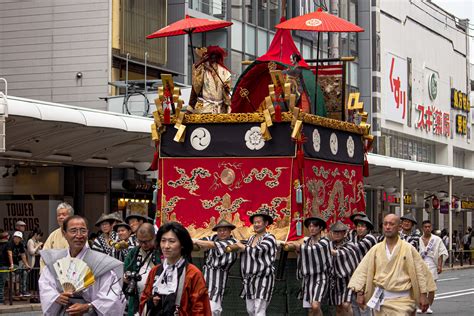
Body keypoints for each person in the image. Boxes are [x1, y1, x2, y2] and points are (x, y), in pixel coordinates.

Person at [348, 214, 434, 315]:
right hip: (380, 300)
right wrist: (360, 292)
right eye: (385, 224)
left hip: (404, 300)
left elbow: (420, 271)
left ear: (399, 227)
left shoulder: (408, 248)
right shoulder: (376, 249)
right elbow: (363, 271)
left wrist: (423, 294)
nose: (388, 227)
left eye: (392, 224)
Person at [39, 215, 125, 315]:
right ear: (64, 233)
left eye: (83, 231)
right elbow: (45, 286)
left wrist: (89, 306)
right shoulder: (55, 261)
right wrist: (55, 297)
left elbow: (112, 296)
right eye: (73, 231)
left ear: (87, 232)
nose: (79, 235)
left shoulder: (100, 263)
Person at [139, 222, 211, 315]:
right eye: (163, 240)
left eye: (172, 241)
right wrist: (150, 302)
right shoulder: (155, 271)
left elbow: (200, 309)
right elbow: (144, 299)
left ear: (182, 244)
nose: (166, 246)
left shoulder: (193, 273)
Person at [285, 216, 330, 316]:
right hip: (307, 279)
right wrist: (293, 244)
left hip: (320, 277)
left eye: (314, 226)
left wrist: (298, 246)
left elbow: (313, 249)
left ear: (320, 228)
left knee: (315, 306)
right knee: (310, 310)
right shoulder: (306, 241)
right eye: (310, 226)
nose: (311, 228)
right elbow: (298, 246)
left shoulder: (325, 241)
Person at [234, 211, 277, 316]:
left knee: (259, 310)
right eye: (255, 222)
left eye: (259, 222)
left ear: (266, 223)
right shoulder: (251, 238)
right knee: (251, 310)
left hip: (263, 278)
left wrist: (242, 247)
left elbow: (259, 250)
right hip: (249, 280)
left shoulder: (269, 238)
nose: (256, 224)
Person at [193, 219, 238, 316]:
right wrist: (188, 244)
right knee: (201, 306)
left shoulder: (233, 242)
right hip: (205, 276)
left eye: (225, 230)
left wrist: (195, 240)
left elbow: (213, 245)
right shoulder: (213, 237)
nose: (222, 232)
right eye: (220, 230)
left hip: (219, 278)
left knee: (213, 308)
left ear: (230, 231)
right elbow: (199, 245)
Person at [124, 223, 161, 316]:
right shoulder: (134, 252)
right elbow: (125, 270)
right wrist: (126, 277)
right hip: (136, 297)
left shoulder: (160, 251)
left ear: (154, 238)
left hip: (156, 298)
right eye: (140, 241)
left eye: (147, 241)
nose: (143, 245)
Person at [190, 45, 232, 114]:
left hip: (220, 108)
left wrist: (226, 87)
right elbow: (196, 83)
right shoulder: (202, 69)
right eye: (212, 55)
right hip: (206, 107)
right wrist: (202, 61)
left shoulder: (224, 72)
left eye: (215, 56)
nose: (213, 58)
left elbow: (228, 86)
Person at [418, 220, 448, 314]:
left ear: (431, 228)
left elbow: (440, 252)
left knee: (431, 288)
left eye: (429, 227)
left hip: (432, 264)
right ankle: (421, 305)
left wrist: (439, 265)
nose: (427, 228)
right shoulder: (418, 239)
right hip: (420, 264)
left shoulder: (436, 239)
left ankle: (429, 306)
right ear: (422, 228)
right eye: (425, 227)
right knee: (421, 287)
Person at [41, 202, 74, 271]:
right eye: (58, 215)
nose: (61, 217)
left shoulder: (79, 235)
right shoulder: (53, 235)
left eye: (64, 215)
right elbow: (44, 256)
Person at [7, 231, 31, 298]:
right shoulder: (10, 244)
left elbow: (23, 255)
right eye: (17, 237)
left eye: (20, 238)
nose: (18, 239)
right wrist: (11, 264)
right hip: (7, 263)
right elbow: (10, 254)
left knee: (18, 277)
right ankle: (11, 294)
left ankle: (18, 292)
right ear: (14, 237)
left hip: (16, 263)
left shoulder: (20, 244)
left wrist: (26, 265)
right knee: (11, 279)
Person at [26, 228, 43, 303]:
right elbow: (31, 252)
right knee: (32, 280)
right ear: (35, 234)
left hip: (38, 262)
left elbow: (39, 252)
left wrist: (40, 247)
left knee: (37, 280)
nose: (39, 238)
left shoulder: (37, 241)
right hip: (33, 263)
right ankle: (32, 296)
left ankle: (36, 296)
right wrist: (37, 246)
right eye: (39, 236)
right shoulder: (30, 241)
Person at [0, 231, 10, 304]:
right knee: (2, 283)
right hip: (4, 266)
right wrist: (12, 264)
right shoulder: (8, 245)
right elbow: (10, 255)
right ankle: (0, 298)